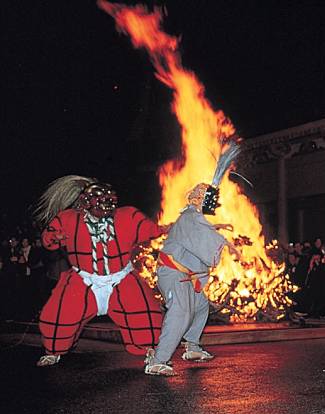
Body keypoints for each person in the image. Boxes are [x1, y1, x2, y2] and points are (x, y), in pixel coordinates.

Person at [34, 175, 164, 367]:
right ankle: (54, 351)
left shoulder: (127, 216)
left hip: (121, 277)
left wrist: (171, 227)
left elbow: (153, 230)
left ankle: (149, 349)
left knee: (146, 316)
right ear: (86, 203)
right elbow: (48, 240)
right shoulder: (68, 219)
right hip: (83, 280)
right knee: (58, 316)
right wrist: (55, 237)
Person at [144, 142, 241, 376]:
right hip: (174, 275)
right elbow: (203, 235)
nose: (213, 204)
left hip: (186, 277)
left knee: (200, 306)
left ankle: (192, 346)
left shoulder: (194, 218)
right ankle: (158, 360)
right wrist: (227, 244)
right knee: (181, 312)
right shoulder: (190, 218)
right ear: (199, 199)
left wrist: (218, 226)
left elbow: (202, 231)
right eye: (210, 200)